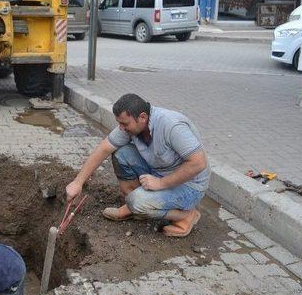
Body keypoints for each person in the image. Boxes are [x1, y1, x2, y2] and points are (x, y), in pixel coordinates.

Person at [66, 93, 209, 237]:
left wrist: (160, 183)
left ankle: (186, 215)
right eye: (119, 123)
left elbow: (198, 163)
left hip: (190, 185)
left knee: (137, 202)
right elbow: (104, 148)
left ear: (142, 117)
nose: (121, 128)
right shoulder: (133, 126)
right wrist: (77, 183)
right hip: (160, 172)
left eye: (124, 124)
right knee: (121, 153)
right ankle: (135, 207)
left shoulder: (171, 126)